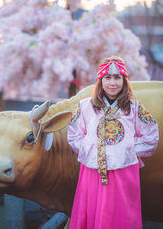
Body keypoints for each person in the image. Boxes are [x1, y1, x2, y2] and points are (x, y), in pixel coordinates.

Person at [67, 56, 159, 229]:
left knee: (121, 215)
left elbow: (151, 137)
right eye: (107, 78)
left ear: (124, 81)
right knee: (92, 210)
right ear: (100, 81)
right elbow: (73, 135)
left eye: (117, 78)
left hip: (124, 170)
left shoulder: (135, 108)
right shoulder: (85, 107)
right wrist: (92, 151)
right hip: (91, 170)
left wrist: (126, 150)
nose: (112, 83)